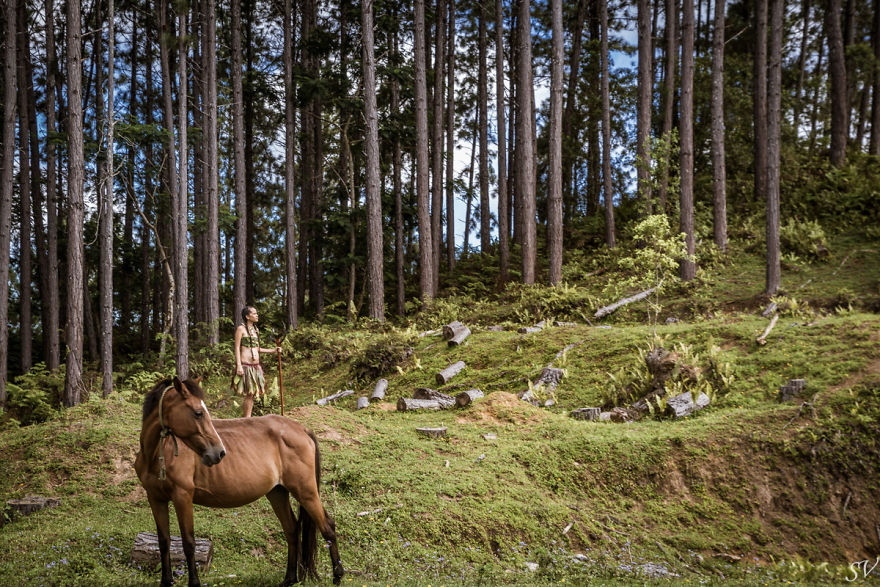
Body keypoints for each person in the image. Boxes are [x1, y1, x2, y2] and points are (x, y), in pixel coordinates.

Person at [233, 306, 281, 417]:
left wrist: (273, 350)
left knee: (252, 394)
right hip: (246, 365)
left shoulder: (256, 330)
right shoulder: (241, 329)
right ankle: (247, 419)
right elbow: (237, 347)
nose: (257, 315)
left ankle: (248, 418)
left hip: (255, 366)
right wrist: (239, 365)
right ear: (247, 316)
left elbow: (257, 348)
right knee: (249, 393)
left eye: (256, 313)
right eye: (254, 313)